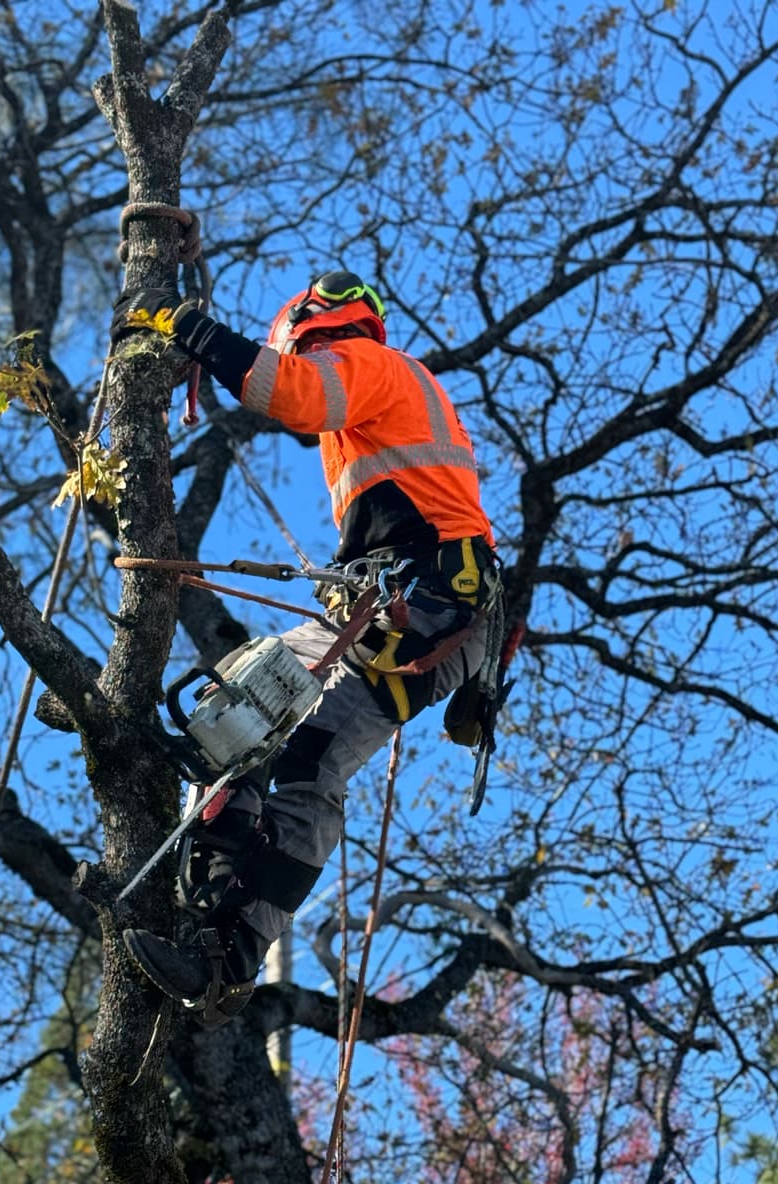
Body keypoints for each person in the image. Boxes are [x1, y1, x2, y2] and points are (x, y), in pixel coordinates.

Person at [112, 270, 499, 1026]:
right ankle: (214, 893)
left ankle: (230, 957)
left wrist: (188, 328)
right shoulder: (371, 406)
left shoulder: (372, 364)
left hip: (428, 608)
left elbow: (290, 392)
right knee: (237, 709)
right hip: (393, 606)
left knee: (306, 758)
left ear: (314, 327)